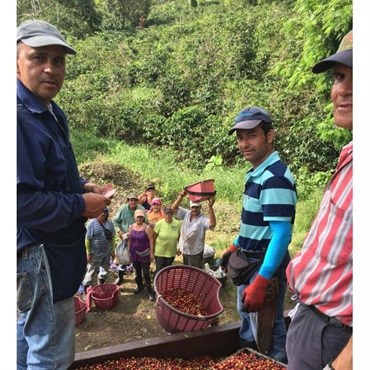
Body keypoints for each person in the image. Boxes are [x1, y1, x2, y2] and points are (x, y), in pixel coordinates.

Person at [17, 20, 111, 369]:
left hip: (50, 252)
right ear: (14, 62)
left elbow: (45, 178)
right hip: (40, 255)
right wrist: (80, 205)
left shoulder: (49, 112)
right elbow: (19, 203)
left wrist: (80, 186)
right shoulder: (18, 119)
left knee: (25, 334)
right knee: (51, 352)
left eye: (58, 60)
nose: (50, 69)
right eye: (38, 57)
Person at [285, 30, 353, 370]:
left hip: (336, 339)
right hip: (313, 320)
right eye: (340, 76)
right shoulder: (352, 154)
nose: (343, 89)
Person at [221, 106, 297, 363]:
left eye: (252, 135)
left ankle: (275, 362)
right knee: (247, 318)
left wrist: (262, 281)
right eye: (240, 138)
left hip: (264, 266)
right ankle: (248, 357)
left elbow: (281, 234)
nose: (244, 144)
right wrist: (234, 245)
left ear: (270, 135)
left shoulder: (274, 178)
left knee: (269, 329)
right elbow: (255, 222)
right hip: (249, 259)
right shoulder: (258, 173)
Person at [171, 191, 216, 269]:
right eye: (193, 207)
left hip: (196, 251)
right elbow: (173, 209)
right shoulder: (186, 213)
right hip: (185, 249)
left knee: (195, 272)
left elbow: (212, 224)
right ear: (190, 207)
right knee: (187, 269)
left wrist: (210, 207)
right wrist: (181, 196)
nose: (195, 209)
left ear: (200, 207)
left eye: (197, 207)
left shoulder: (203, 218)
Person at [112, 192, 148, 285]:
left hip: (138, 238)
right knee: (122, 258)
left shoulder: (141, 209)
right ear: (128, 201)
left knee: (137, 259)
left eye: (135, 200)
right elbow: (115, 221)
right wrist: (119, 232)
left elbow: (146, 223)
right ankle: (120, 277)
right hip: (124, 237)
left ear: (137, 201)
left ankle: (138, 280)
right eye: (131, 200)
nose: (133, 202)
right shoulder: (123, 209)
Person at [82, 208, 116, 293]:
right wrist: (88, 252)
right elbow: (87, 239)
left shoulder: (109, 224)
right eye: (101, 212)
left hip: (106, 252)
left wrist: (112, 250)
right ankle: (86, 290)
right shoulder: (91, 224)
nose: (103, 214)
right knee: (91, 271)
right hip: (94, 254)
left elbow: (113, 238)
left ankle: (101, 287)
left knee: (104, 270)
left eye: (105, 212)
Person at [128, 209, 156, 301]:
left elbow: (151, 240)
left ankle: (149, 290)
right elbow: (129, 240)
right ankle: (139, 286)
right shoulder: (131, 227)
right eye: (137, 217)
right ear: (134, 217)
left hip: (145, 253)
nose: (139, 218)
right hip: (134, 252)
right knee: (137, 271)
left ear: (143, 218)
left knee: (146, 272)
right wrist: (128, 251)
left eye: (141, 217)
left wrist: (152, 253)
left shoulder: (147, 228)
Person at [153, 206, 181, 277]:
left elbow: (180, 237)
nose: (168, 216)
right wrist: (152, 249)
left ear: (172, 214)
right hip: (160, 251)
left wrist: (179, 247)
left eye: (170, 214)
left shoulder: (177, 223)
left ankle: (164, 285)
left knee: (167, 270)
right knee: (159, 270)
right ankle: (156, 284)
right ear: (164, 214)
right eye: (166, 214)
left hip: (171, 251)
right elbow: (154, 236)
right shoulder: (159, 223)